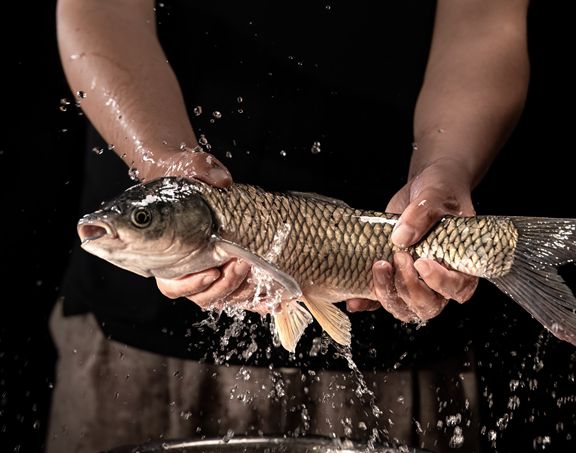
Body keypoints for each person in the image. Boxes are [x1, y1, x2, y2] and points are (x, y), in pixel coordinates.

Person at [49, 0, 529, 452]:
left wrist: (447, 166)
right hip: (139, 341)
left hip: (398, 342)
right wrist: (158, 161)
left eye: (142, 217)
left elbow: (484, 21)